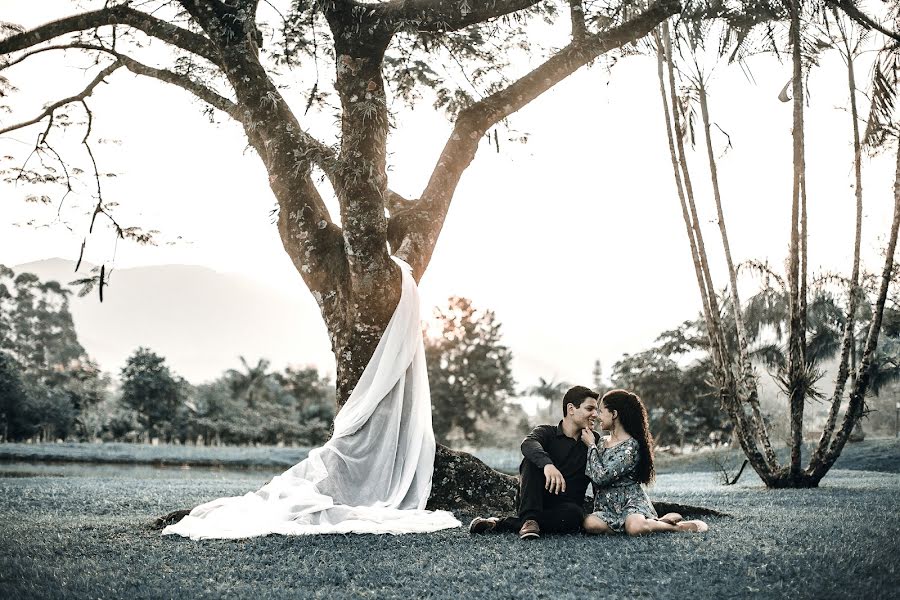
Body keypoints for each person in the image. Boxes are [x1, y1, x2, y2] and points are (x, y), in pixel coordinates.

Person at [469, 385, 601, 540]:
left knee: (575, 515)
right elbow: (528, 444)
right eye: (590, 409)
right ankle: (529, 520)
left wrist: (591, 446)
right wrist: (547, 465)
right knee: (530, 461)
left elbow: (600, 473)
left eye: (596, 410)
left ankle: (502, 524)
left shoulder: (594, 440)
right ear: (571, 409)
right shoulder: (545, 432)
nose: (596, 414)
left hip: (566, 508)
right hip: (536, 501)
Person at [581, 389, 708, 535]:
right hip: (606, 507)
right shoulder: (602, 442)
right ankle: (656, 522)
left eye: (601, 411)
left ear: (614, 414)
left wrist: (591, 445)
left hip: (631, 504)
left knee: (635, 528)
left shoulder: (631, 446)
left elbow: (602, 477)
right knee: (590, 523)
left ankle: (674, 527)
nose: (597, 416)